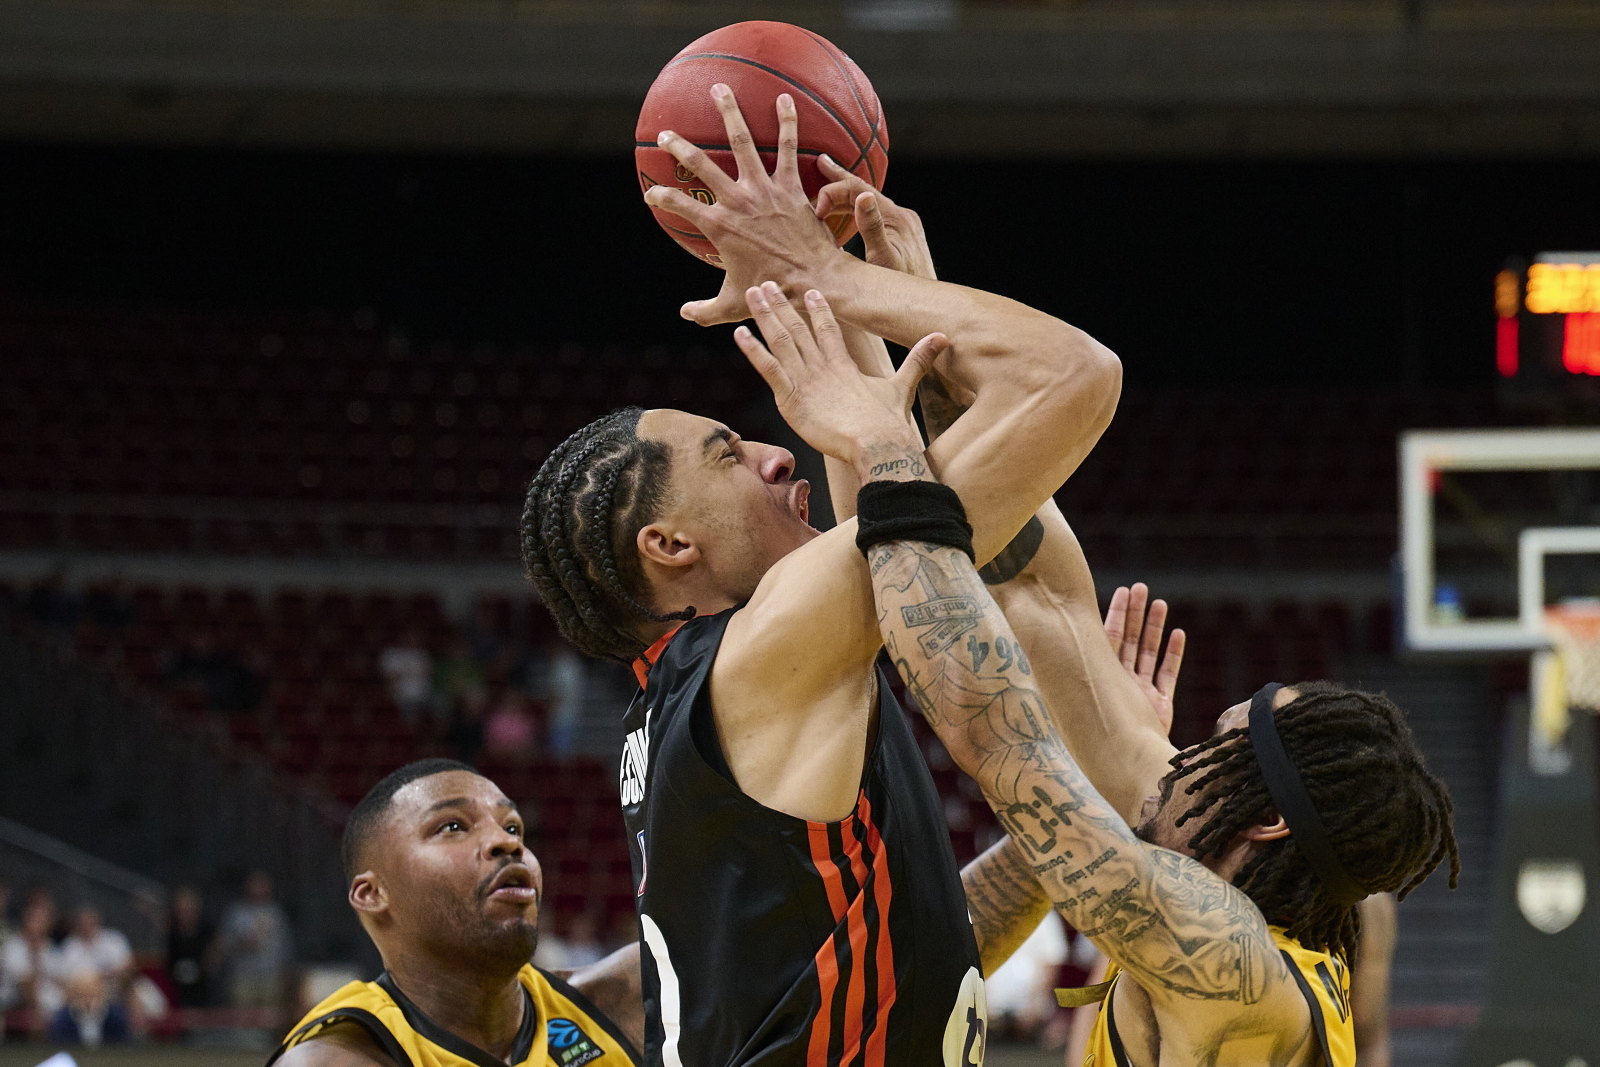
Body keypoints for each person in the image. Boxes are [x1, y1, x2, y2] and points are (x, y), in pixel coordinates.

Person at [522, 85, 1119, 1066]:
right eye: (725, 452)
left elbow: (890, 528)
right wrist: (835, 281)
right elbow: (1074, 375)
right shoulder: (758, 656)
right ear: (670, 547)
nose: (774, 451)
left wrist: (845, 299)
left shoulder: (720, 687)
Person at [768, 321, 1461, 1067]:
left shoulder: (1230, 961)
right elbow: (1039, 593)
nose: (1182, 751)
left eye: (1216, 747)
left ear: (1262, 821)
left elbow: (995, 727)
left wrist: (882, 446)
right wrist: (901, 333)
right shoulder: (1252, 918)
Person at [270, 758, 643, 1067]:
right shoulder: (336, 1059)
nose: (507, 841)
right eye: (453, 826)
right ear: (373, 894)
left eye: (513, 826)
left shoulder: (630, 997)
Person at [215, 870, 290, 1011]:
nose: (258, 888)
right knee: (243, 1019)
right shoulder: (237, 912)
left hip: (270, 977)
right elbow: (224, 943)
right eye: (254, 884)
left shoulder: (275, 913)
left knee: (269, 1018)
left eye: (261, 884)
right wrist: (242, 943)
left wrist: (283, 974)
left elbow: (283, 946)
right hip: (243, 976)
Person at [0, 890, 66, 1032]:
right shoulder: (13, 948)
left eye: (43, 920)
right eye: (35, 920)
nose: (38, 925)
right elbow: (25, 984)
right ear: (26, 920)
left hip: (51, 1004)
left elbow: (61, 980)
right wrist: (37, 1010)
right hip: (15, 1002)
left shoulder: (50, 949)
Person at [166, 885, 215, 1009]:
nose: (185, 913)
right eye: (182, 909)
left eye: (189, 908)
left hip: (202, 987)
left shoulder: (206, 930)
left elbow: (214, 956)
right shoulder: (172, 932)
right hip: (176, 988)